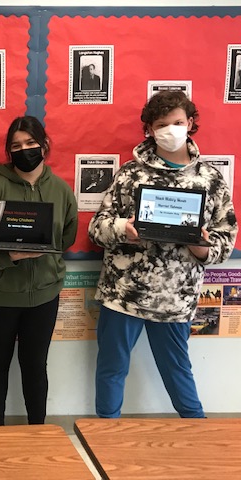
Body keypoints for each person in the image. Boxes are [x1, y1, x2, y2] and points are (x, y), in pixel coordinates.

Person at [88, 90, 237, 418]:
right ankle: (105, 441)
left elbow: (225, 243)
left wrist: (201, 247)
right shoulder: (130, 174)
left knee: (178, 374)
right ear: (149, 129)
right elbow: (96, 229)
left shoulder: (210, 179)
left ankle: (197, 439)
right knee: (111, 371)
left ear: (191, 123)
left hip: (175, 300)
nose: (171, 130)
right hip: (123, 295)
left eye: (178, 123)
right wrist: (122, 229)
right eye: (162, 124)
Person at [0, 116, 78, 425]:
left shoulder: (61, 190)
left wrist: (44, 250)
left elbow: (66, 237)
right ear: (8, 151)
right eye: (16, 146)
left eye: (30, 143)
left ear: (45, 145)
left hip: (43, 294)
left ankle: (38, 431)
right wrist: (8, 256)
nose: (24, 150)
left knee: (35, 366)